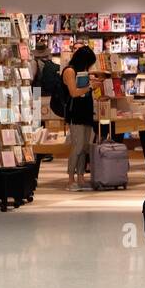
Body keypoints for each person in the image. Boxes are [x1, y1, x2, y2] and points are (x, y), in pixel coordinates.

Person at [62, 45, 98, 192]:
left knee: (84, 146)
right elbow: (73, 92)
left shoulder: (83, 72)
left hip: (86, 111)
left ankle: (81, 177)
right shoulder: (70, 71)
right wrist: (90, 87)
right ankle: (70, 179)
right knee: (77, 146)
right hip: (75, 113)